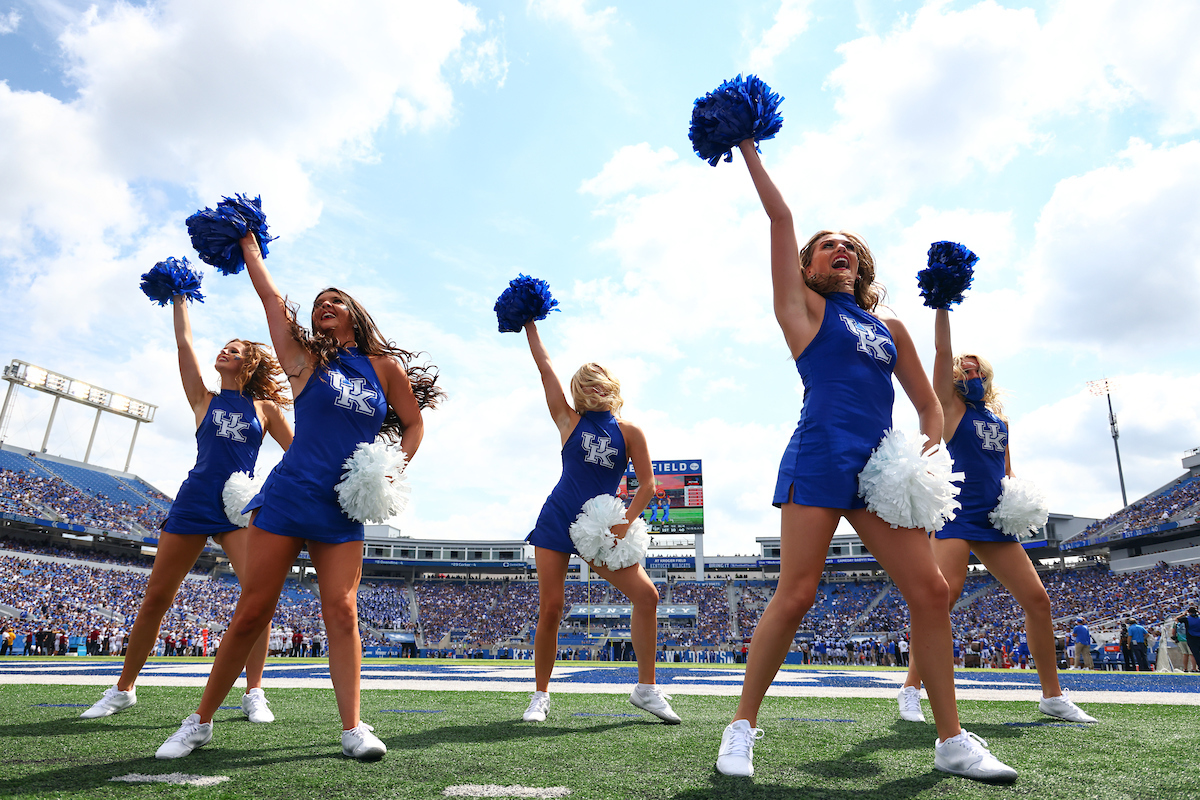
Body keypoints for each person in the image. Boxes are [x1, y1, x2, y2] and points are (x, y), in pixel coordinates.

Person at [714, 139, 1015, 782]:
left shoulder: (891, 327)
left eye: (848, 244)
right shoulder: (802, 309)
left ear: (863, 263)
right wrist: (748, 148)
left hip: (881, 471)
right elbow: (780, 221)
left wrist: (924, 465)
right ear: (809, 265)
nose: (839, 249)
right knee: (795, 594)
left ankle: (952, 740)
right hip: (821, 456)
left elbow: (930, 407)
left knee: (932, 591)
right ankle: (741, 728)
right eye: (827, 245)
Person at [155, 233, 441, 761]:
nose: (324, 308)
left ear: (353, 312)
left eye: (334, 302)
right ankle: (198, 721)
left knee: (343, 611)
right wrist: (247, 246)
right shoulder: (305, 359)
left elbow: (415, 423)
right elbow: (271, 301)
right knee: (253, 610)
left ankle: (353, 727)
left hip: (344, 504)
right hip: (288, 495)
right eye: (317, 306)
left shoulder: (384, 369)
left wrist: (392, 471)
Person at [82, 293, 292, 723]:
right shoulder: (203, 397)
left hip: (236, 506)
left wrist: (267, 490)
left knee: (257, 598)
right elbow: (184, 345)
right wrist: (180, 298)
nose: (224, 352)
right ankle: (123, 689)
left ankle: (254, 692)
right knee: (157, 596)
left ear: (248, 364)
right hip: (194, 500)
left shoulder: (265, 408)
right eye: (224, 347)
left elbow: (299, 451)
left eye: (233, 351)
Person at [897, 314, 1095, 723]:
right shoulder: (949, 407)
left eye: (977, 371)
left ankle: (1052, 696)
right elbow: (940, 352)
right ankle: (910, 689)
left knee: (1038, 601)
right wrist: (942, 306)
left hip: (994, 521)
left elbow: (1006, 473)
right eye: (964, 371)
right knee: (943, 599)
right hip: (955, 515)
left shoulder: (1001, 422)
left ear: (987, 377)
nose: (970, 375)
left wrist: (1018, 503)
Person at [519, 320, 680, 726]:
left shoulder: (630, 433)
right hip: (558, 519)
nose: (594, 391)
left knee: (647, 597)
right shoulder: (568, 421)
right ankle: (540, 696)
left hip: (602, 528)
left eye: (599, 385)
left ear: (612, 388)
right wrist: (529, 323)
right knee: (551, 607)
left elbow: (647, 484)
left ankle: (646, 689)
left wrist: (626, 523)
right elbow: (545, 367)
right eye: (586, 387)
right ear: (578, 393)